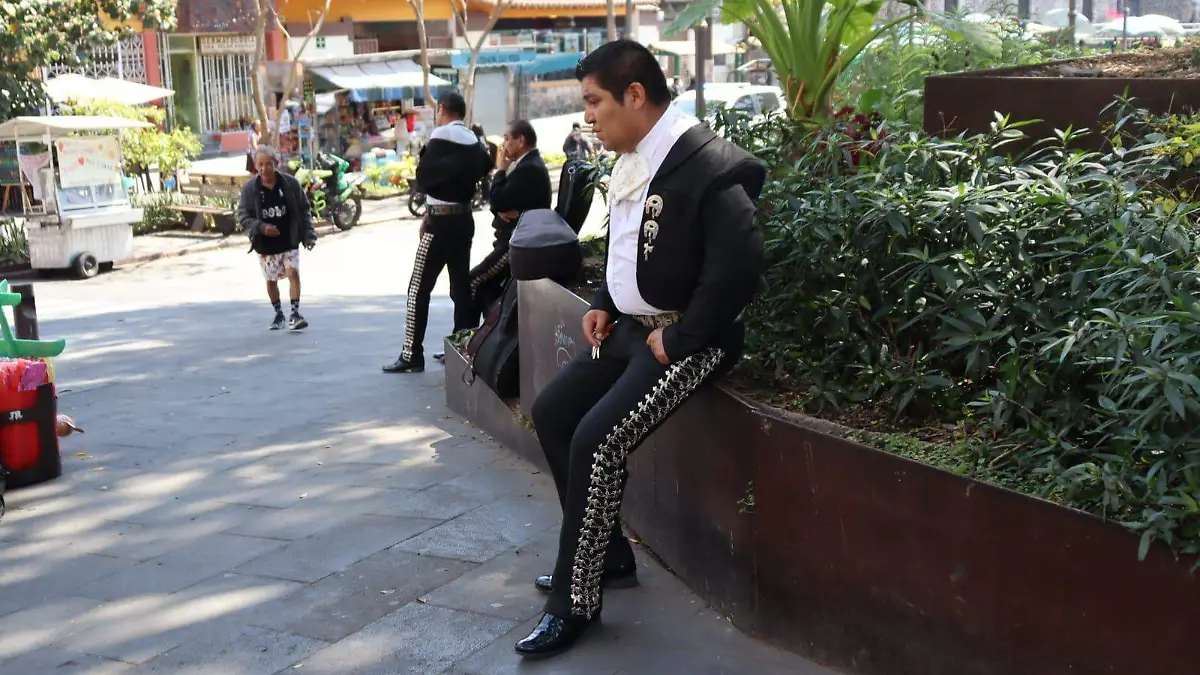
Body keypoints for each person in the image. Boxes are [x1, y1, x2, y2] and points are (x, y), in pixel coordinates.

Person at [515, 40, 767, 658]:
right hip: (631, 330)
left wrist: (681, 337)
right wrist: (603, 297)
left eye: (594, 101)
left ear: (635, 95)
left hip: (688, 342)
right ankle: (609, 558)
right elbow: (628, 246)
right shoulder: (634, 157)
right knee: (552, 413)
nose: (589, 116)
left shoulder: (707, 163)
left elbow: (742, 263)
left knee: (597, 439)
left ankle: (575, 599)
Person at [383, 91, 492, 374]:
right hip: (464, 220)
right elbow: (485, 167)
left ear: (441, 109)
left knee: (418, 288)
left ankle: (411, 353)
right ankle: (463, 345)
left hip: (439, 223)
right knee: (460, 286)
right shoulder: (473, 142)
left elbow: (425, 179)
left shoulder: (440, 138)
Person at [469, 118, 553, 323]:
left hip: (516, 244)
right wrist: (500, 209)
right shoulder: (525, 165)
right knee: (487, 288)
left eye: (507, 139)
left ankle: (466, 339)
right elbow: (499, 206)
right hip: (512, 238)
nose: (504, 145)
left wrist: (500, 170)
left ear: (521, 140)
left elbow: (497, 200)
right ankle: (488, 333)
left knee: (473, 281)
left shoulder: (529, 168)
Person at [237, 146, 317, 331]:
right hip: (266, 245)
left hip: (289, 240)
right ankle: (278, 313)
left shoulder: (290, 184)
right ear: (256, 166)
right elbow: (243, 217)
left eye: (268, 164)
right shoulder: (250, 189)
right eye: (260, 165)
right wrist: (262, 228)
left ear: (276, 164)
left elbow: (304, 210)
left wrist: (308, 235)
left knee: (293, 273)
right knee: (271, 280)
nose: (264, 169)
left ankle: (295, 313)